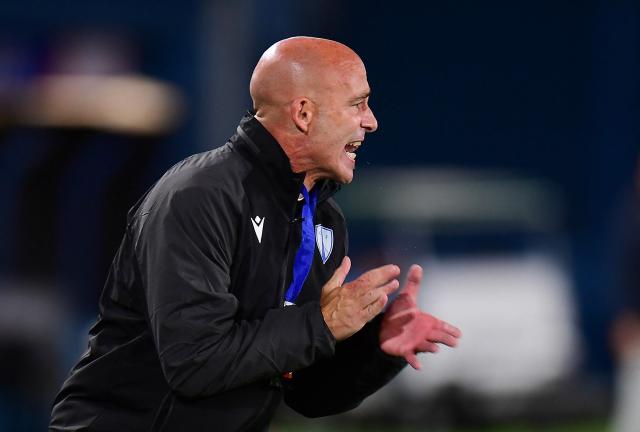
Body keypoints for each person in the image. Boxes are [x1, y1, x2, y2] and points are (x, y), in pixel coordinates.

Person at [50, 36, 462, 431]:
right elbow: (195, 363)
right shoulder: (199, 197)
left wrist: (373, 350)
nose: (371, 122)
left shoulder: (323, 221)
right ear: (304, 114)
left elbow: (304, 392)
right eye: (358, 104)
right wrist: (322, 322)